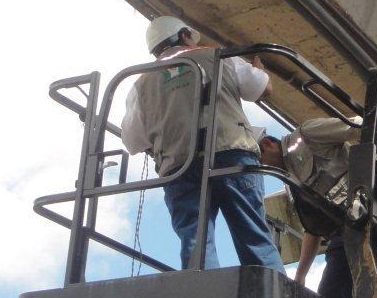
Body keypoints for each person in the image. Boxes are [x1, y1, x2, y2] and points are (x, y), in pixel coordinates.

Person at [122, 15, 285, 273]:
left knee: (195, 243)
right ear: (185, 35)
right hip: (231, 153)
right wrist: (260, 70)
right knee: (252, 235)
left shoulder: (141, 84)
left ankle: (203, 291)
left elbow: (133, 141)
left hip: (179, 168)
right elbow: (262, 89)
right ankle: (269, 290)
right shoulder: (218, 56)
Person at [258, 116, 377, 298]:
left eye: (260, 160)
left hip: (369, 217)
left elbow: (359, 125)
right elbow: (313, 229)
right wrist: (300, 277)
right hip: (342, 233)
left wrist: (375, 174)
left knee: (371, 286)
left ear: (267, 144)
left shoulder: (307, 134)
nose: (262, 169)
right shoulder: (291, 182)